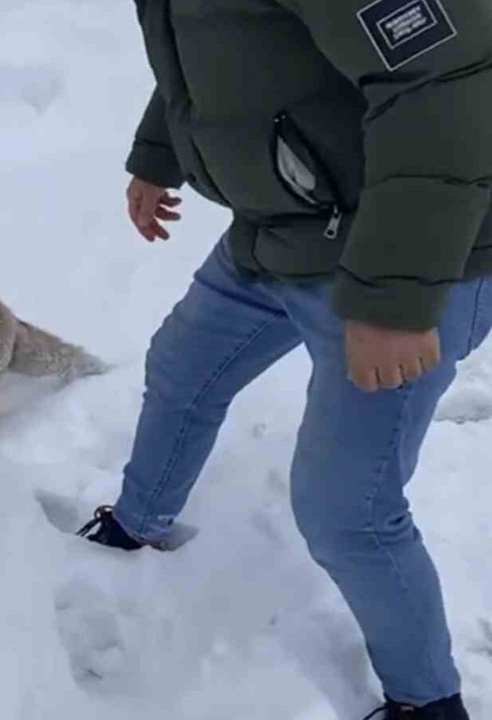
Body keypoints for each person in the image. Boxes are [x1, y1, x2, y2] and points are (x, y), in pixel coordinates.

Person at [77, 0, 492, 717]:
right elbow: (211, 43)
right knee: (182, 367)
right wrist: (160, 155)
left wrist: (394, 292)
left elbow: (442, 78)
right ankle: (135, 523)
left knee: (347, 510)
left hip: (407, 255)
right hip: (283, 231)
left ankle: (429, 703)